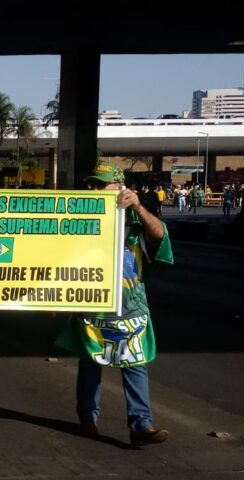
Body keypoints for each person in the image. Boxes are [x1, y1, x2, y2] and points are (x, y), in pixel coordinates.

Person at [56, 161, 173, 447]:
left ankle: (142, 425)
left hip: (130, 307)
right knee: (90, 362)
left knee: (135, 364)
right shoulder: (81, 219)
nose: (94, 189)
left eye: (101, 184)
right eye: (92, 184)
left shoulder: (135, 221)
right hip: (91, 306)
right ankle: (88, 418)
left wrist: (137, 207)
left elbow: (160, 236)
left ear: (120, 187)